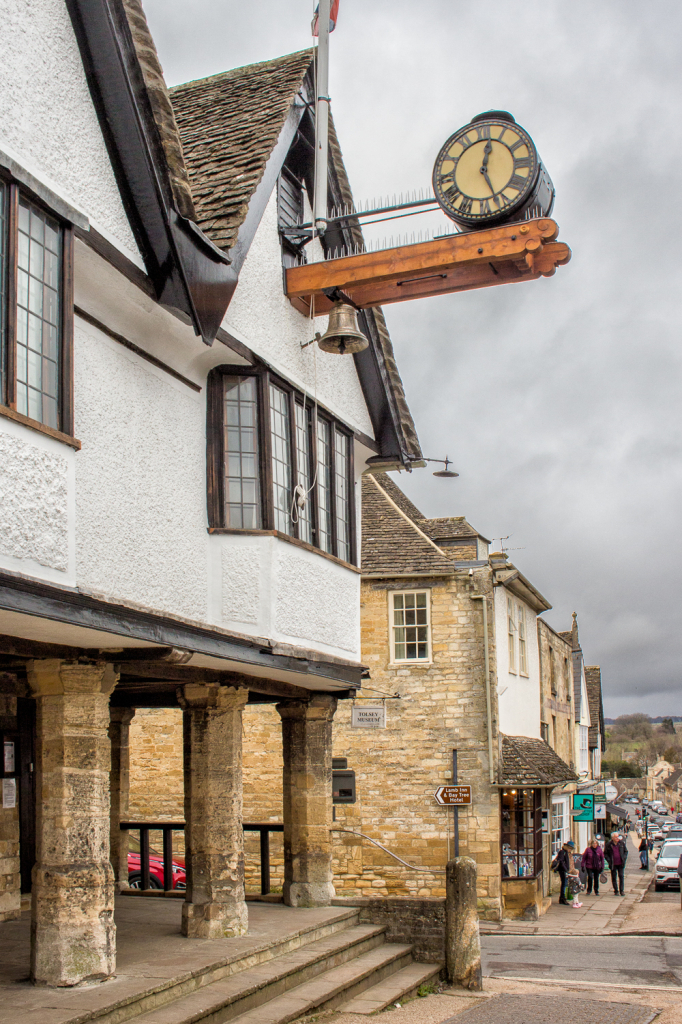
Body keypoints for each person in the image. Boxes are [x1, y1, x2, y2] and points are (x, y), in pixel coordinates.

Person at [553, 840, 576, 905]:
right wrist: (566, 870)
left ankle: (562, 898)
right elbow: (561, 862)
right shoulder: (562, 852)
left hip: (566, 870)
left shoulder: (567, 853)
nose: (570, 849)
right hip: (562, 870)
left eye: (571, 848)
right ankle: (562, 898)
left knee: (565, 884)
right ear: (566, 847)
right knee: (564, 884)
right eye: (569, 848)